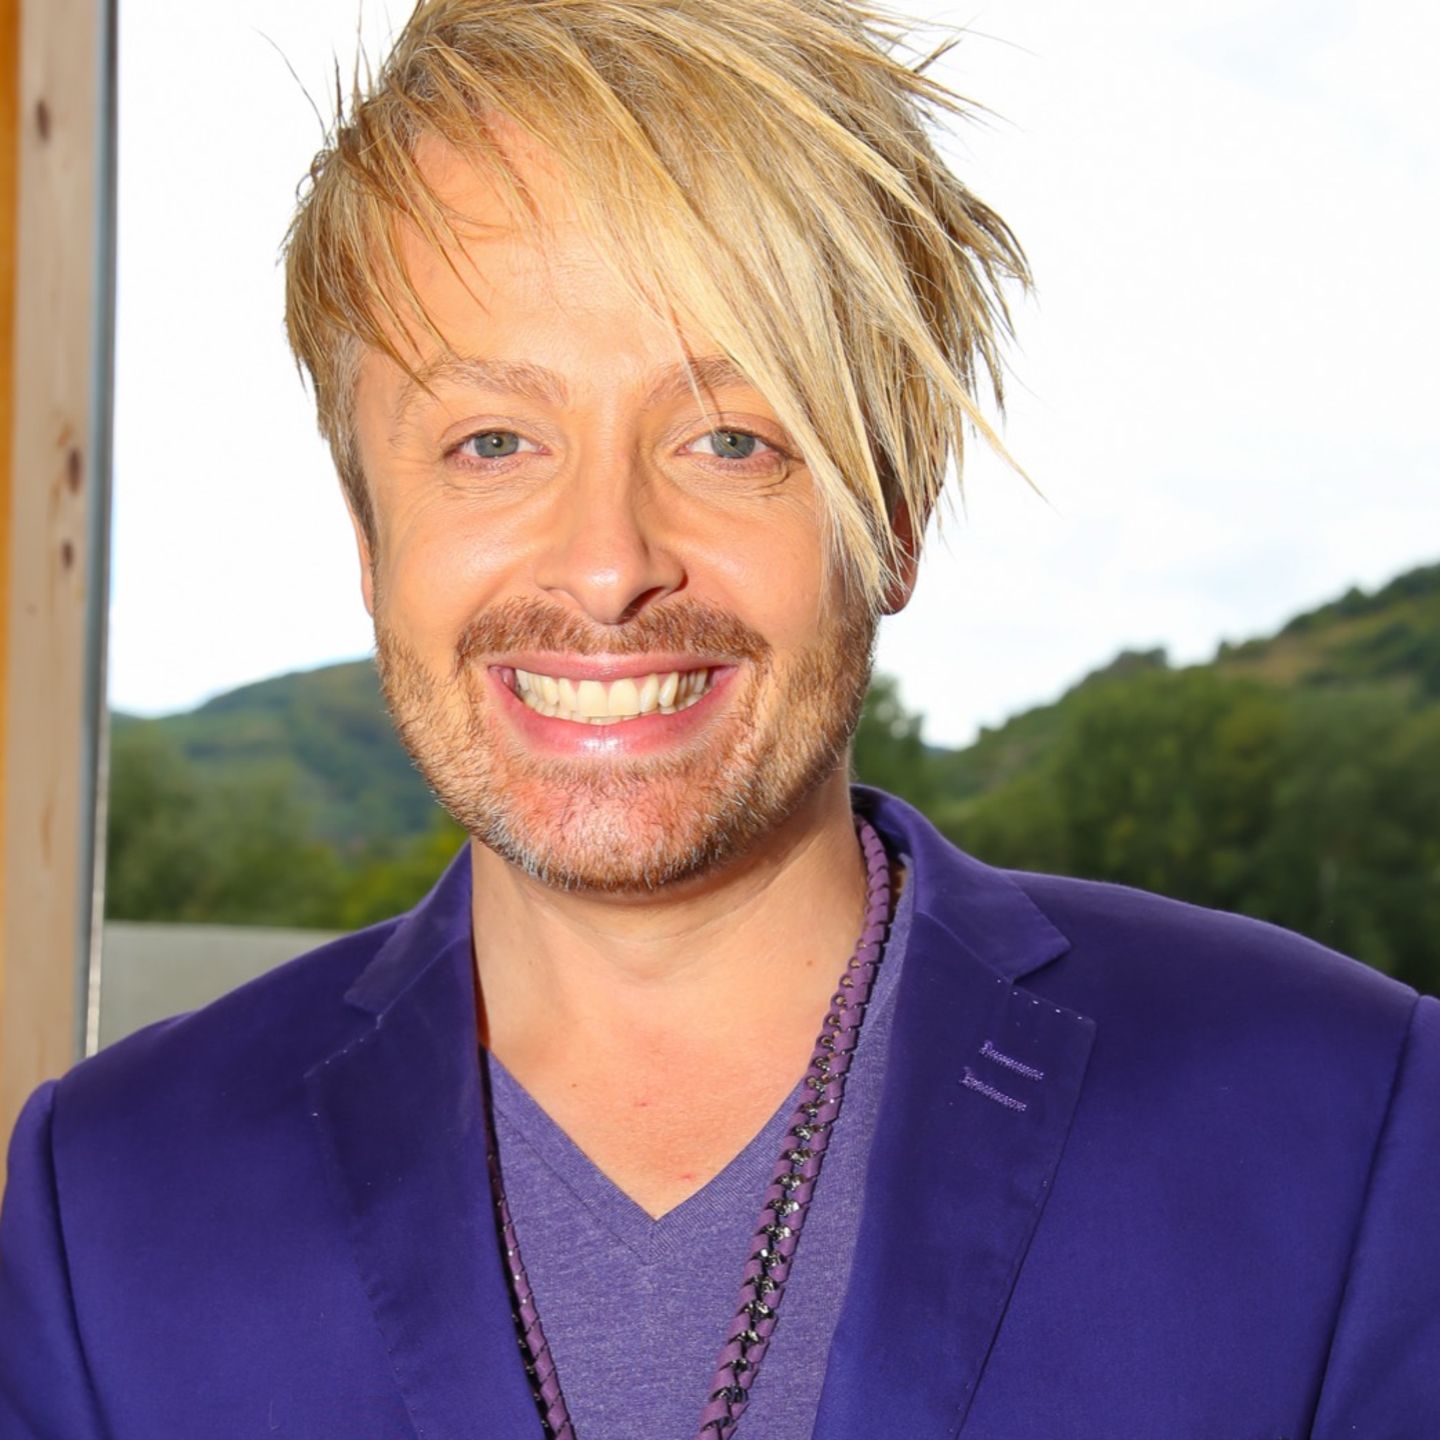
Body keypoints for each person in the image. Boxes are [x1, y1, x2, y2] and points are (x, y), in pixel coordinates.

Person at [2, 0, 1437, 1435]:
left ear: (892, 510)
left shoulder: (1346, 1123)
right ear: (370, 534)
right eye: (491, 442)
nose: (608, 564)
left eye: (730, 438)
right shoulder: (109, 1205)